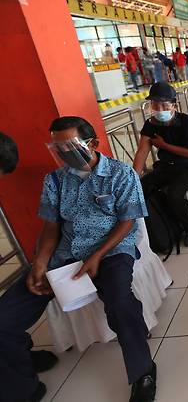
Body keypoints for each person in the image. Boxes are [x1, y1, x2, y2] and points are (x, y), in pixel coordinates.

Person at [0, 117, 156, 402]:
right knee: (4, 316)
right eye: (57, 148)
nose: (63, 154)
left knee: (121, 303)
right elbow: (51, 227)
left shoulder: (121, 174)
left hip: (111, 251)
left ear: (93, 144)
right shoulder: (55, 180)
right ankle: (24, 384)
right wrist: (40, 263)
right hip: (66, 253)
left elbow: (127, 223)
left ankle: (143, 371)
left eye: (69, 146)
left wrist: (97, 255)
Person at [133, 82, 188, 247]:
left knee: (174, 194)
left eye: (164, 104)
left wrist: (164, 146)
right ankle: (155, 230)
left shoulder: (186, 122)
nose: (159, 109)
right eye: (155, 104)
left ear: (174, 105)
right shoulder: (150, 125)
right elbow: (142, 151)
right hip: (165, 167)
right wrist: (133, 177)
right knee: (139, 189)